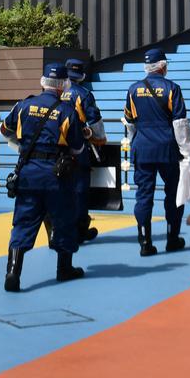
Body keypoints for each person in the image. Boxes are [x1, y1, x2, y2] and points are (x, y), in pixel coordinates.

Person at [0, 63, 85, 292]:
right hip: (56, 176)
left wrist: (24, 146)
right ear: (64, 84)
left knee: (23, 222)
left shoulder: (24, 105)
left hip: (27, 172)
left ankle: (13, 272)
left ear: (43, 81)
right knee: (64, 220)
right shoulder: (68, 111)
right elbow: (77, 147)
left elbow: (4, 130)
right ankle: (64, 269)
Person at [124, 47, 190, 256]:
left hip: (142, 147)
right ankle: (172, 238)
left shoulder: (133, 89)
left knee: (143, 195)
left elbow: (129, 121)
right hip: (167, 148)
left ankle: (145, 242)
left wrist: (133, 141)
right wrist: (187, 151)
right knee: (173, 193)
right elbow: (180, 123)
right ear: (162, 66)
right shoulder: (172, 88)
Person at [61, 57, 107, 242]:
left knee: (60, 190)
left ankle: (59, 229)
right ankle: (79, 230)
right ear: (81, 75)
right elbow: (94, 119)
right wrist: (99, 139)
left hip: (55, 147)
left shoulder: (55, 91)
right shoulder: (83, 93)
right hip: (77, 146)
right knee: (79, 189)